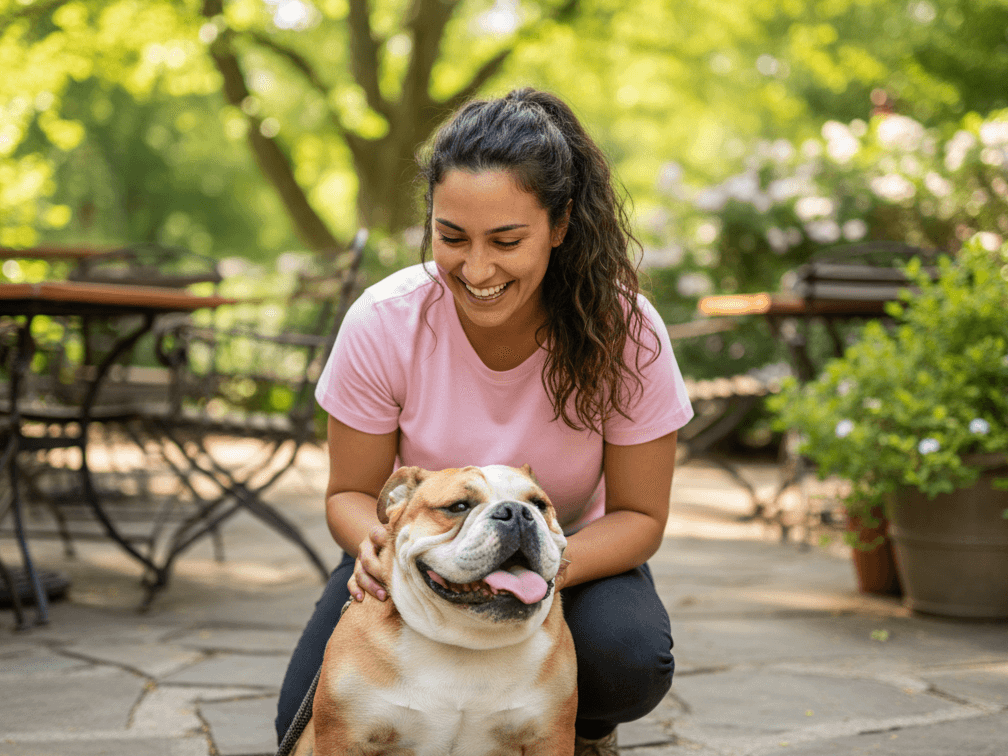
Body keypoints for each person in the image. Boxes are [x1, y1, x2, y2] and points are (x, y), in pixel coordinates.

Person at [275, 87, 694, 755]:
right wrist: (381, 554)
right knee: (302, 728)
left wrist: (535, 562)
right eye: (451, 236)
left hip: (570, 554)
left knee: (627, 658)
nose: (476, 268)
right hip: (419, 554)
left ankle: (565, 725)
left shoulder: (627, 331)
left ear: (559, 226)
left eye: (506, 240)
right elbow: (349, 494)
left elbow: (642, 516)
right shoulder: (384, 321)